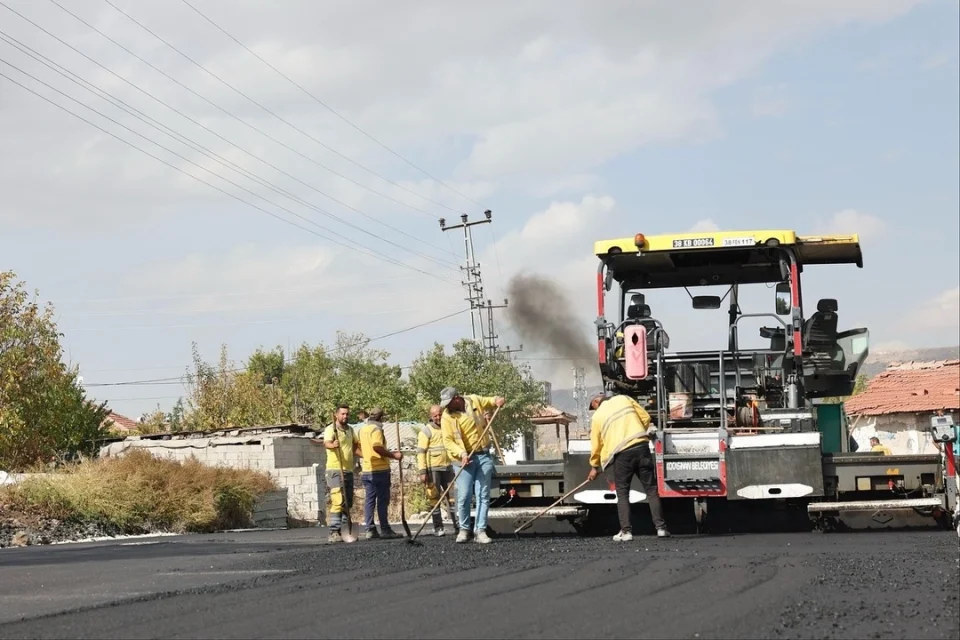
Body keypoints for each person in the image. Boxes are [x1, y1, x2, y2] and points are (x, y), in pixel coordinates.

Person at [586, 391, 670, 541]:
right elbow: (645, 417)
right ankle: (661, 529)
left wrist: (594, 466)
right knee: (651, 490)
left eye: (593, 407)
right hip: (641, 447)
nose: (594, 409)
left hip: (622, 454)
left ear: (596, 402)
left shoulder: (597, 416)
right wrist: (637, 433)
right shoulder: (625, 398)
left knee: (623, 493)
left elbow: (596, 444)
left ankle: (626, 532)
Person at [439, 386, 505, 544]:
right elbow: (448, 441)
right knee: (464, 495)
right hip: (462, 458)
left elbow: (489, 400)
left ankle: (480, 530)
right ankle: (464, 529)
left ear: (456, 398)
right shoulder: (447, 416)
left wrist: (497, 400)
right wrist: (462, 453)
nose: (447, 406)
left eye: (449, 402)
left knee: (483, 494)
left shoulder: (473, 400)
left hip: (483, 455)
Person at [357, 407, 403, 540]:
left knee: (369, 500)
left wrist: (366, 456)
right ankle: (385, 529)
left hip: (367, 469)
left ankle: (370, 530)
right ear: (380, 417)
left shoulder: (363, 429)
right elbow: (377, 447)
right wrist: (393, 455)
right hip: (380, 470)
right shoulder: (376, 429)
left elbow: (358, 447)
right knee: (382, 500)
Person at [321, 403, 360, 544]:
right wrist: (333, 445)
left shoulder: (350, 430)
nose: (345, 416)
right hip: (335, 469)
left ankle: (345, 530)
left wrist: (366, 456)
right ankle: (334, 532)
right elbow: (326, 443)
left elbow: (355, 446)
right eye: (342, 414)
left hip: (348, 469)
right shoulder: (331, 429)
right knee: (337, 500)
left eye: (347, 414)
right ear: (337, 415)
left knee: (347, 501)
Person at [418, 404, 458, 536]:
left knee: (453, 498)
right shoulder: (426, 431)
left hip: (448, 468)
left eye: (440, 414)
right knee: (434, 498)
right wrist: (423, 471)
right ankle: (438, 527)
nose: (438, 417)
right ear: (431, 416)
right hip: (433, 470)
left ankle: (458, 526)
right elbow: (421, 452)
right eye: (435, 415)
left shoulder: (448, 427)